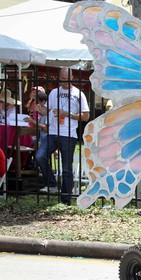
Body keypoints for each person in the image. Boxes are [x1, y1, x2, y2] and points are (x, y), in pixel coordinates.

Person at [35, 68, 90, 204]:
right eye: (62, 79)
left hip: (68, 134)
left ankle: (66, 198)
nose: (64, 82)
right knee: (39, 156)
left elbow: (85, 116)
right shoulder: (54, 93)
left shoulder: (78, 94)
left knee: (66, 167)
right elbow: (45, 112)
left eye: (66, 79)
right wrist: (39, 109)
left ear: (72, 78)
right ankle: (52, 184)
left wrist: (67, 114)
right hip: (52, 132)